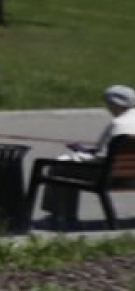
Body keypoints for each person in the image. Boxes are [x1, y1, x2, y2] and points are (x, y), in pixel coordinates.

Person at [24, 84, 135, 213]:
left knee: (61, 167)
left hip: (114, 175)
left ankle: (61, 215)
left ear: (115, 105)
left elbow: (101, 158)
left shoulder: (119, 124)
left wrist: (77, 156)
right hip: (130, 173)